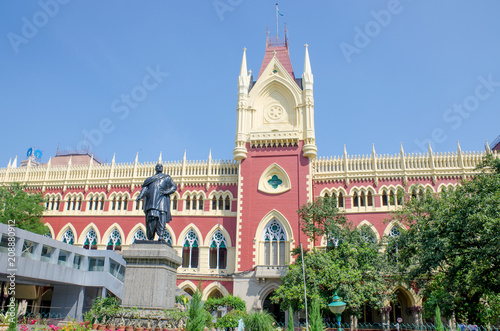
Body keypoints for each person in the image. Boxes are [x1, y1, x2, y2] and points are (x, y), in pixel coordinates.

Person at [136, 163, 177, 241]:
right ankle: (150, 237)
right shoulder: (150, 180)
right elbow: (145, 189)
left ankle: (161, 236)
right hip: (152, 203)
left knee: (162, 219)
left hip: (162, 202)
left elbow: (174, 187)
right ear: (155, 168)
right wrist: (140, 196)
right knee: (151, 220)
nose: (159, 167)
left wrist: (166, 191)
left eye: (161, 166)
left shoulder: (167, 178)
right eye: (158, 166)